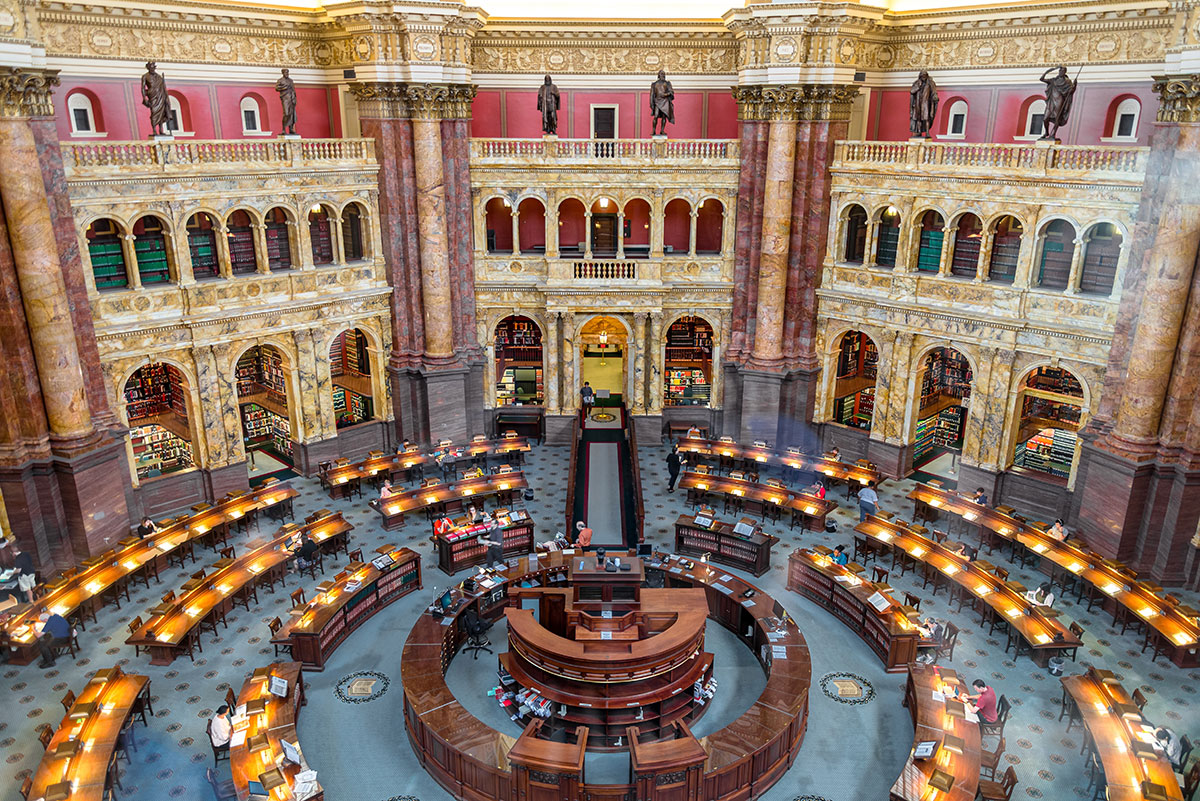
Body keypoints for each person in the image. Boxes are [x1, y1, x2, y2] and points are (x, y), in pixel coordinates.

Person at [1039, 65, 1077, 140]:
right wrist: (1050, 70)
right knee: (1045, 118)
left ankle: (1053, 134)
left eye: (1062, 71)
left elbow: (1070, 91)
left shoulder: (1067, 81)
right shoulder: (1053, 80)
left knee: (1057, 117)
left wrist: (1074, 86)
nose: (1060, 72)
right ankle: (1046, 132)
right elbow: (1041, 79)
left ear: (1064, 72)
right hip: (1051, 101)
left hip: (1059, 100)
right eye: (1059, 71)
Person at [909, 70, 938, 138]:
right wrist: (918, 87)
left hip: (926, 103)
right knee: (918, 118)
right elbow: (912, 91)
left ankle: (927, 132)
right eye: (922, 76)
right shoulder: (916, 83)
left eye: (925, 76)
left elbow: (933, 92)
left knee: (926, 117)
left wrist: (935, 97)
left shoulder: (930, 83)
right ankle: (919, 131)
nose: (923, 77)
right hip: (918, 103)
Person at [649, 69, 675, 135]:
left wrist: (666, 94)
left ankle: (662, 130)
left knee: (664, 116)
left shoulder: (667, 83)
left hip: (665, 101)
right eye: (661, 74)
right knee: (656, 116)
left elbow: (671, 92)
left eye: (663, 74)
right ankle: (653, 130)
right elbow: (652, 94)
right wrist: (651, 103)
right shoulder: (654, 84)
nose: (662, 75)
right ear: (658, 75)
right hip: (657, 101)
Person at [275, 68, 297, 135]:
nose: (287, 74)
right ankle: (284, 129)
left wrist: (294, 98)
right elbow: (276, 88)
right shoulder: (280, 80)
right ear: (283, 73)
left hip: (291, 98)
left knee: (292, 114)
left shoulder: (291, 81)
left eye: (287, 72)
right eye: (285, 72)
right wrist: (284, 88)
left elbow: (293, 90)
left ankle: (291, 129)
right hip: (285, 98)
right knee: (286, 113)